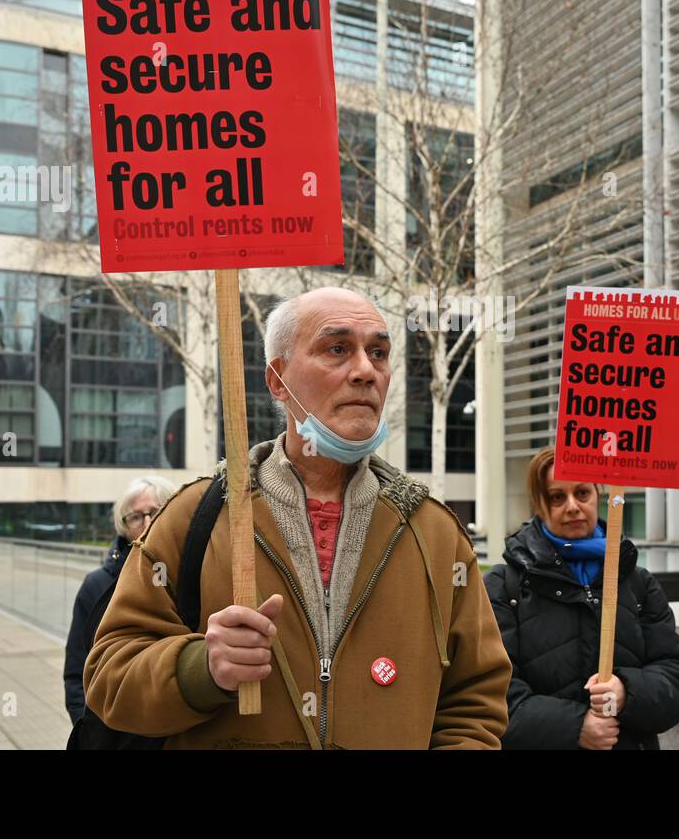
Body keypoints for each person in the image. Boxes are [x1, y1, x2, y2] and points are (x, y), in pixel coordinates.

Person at [84, 286, 511, 748]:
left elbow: (476, 704)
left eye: (379, 352)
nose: (366, 371)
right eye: (337, 349)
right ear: (277, 381)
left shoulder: (435, 533)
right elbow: (109, 675)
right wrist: (201, 668)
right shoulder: (195, 516)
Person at [484, 448, 679, 749]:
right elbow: (491, 694)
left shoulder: (638, 583)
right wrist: (576, 726)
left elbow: (673, 680)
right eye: (557, 497)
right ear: (539, 505)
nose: (572, 507)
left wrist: (626, 692)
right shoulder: (504, 588)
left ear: (598, 495)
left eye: (582, 493)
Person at [64, 475, 177, 724]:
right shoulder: (96, 586)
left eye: (157, 511)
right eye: (136, 517)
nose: (147, 522)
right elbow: (77, 674)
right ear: (124, 527)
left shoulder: (193, 575)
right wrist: (90, 732)